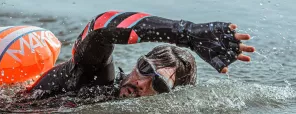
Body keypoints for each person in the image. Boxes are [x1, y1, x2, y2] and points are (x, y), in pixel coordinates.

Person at [18, 11, 255, 103]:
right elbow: (99, 29)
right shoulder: (96, 79)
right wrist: (186, 33)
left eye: (159, 84)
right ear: (136, 62)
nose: (142, 82)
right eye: (144, 67)